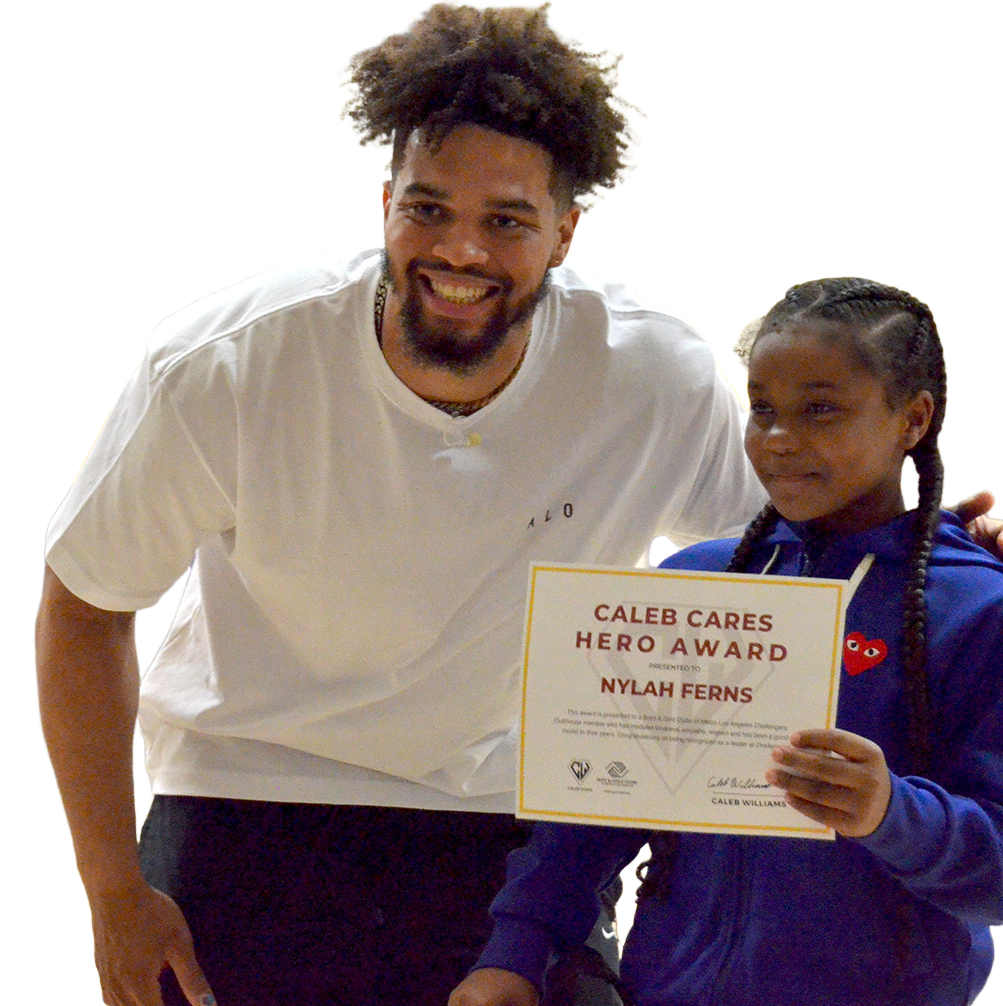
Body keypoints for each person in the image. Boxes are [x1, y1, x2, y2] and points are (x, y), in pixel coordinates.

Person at [34, 6, 768, 1006]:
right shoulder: (229, 362)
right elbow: (84, 606)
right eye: (427, 209)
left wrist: (950, 543)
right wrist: (113, 889)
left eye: (505, 220)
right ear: (385, 204)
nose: (459, 250)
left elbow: (789, 557)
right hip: (246, 792)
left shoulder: (650, 375)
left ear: (564, 233)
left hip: (508, 814)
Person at [450, 277, 1003, 1006]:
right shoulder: (693, 581)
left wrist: (890, 814)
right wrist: (515, 955)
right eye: (763, 408)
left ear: (913, 419)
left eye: (820, 409)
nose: (778, 439)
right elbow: (592, 813)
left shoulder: (976, 606)